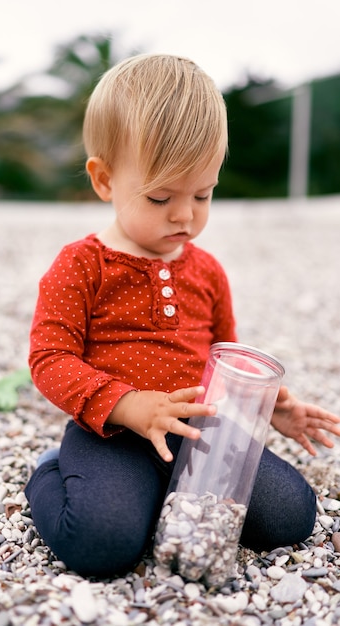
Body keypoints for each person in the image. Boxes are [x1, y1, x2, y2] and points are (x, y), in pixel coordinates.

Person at [25, 53, 340, 579]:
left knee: (292, 514)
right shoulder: (82, 264)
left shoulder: (209, 271)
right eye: (160, 196)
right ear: (104, 181)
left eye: (203, 193)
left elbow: (224, 358)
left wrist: (260, 409)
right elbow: (48, 357)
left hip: (199, 434)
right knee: (102, 543)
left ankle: (157, 496)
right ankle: (50, 473)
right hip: (112, 433)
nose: (185, 214)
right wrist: (126, 404)